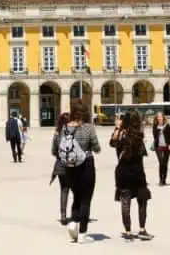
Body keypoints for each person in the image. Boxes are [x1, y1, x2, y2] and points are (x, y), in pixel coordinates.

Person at [60, 100, 101, 243]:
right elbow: (96, 147)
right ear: (84, 113)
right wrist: (93, 147)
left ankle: (73, 223)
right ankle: (82, 233)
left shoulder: (65, 127)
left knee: (76, 196)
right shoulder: (89, 128)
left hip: (70, 167)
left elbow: (60, 147)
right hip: (87, 165)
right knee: (86, 200)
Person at [110, 111, 153, 241]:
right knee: (142, 201)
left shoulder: (120, 136)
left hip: (123, 172)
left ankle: (128, 232)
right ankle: (142, 230)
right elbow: (143, 153)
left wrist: (117, 128)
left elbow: (112, 143)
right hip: (138, 173)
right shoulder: (139, 136)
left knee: (125, 203)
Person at [49, 112, 71, 225]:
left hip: (61, 164)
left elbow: (53, 151)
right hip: (73, 165)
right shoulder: (73, 132)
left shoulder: (57, 134)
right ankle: (77, 214)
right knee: (77, 190)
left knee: (64, 190)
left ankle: (63, 215)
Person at [151, 112, 170, 186]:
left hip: (166, 146)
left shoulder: (167, 126)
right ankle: (160, 179)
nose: (159, 118)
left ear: (163, 117)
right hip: (158, 147)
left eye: (161, 117)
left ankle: (164, 180)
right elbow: (154, 136)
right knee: (161, 162)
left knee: (165, 164)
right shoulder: (155, 126)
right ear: (157, 118)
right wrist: (158, 129)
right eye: (158, 117)